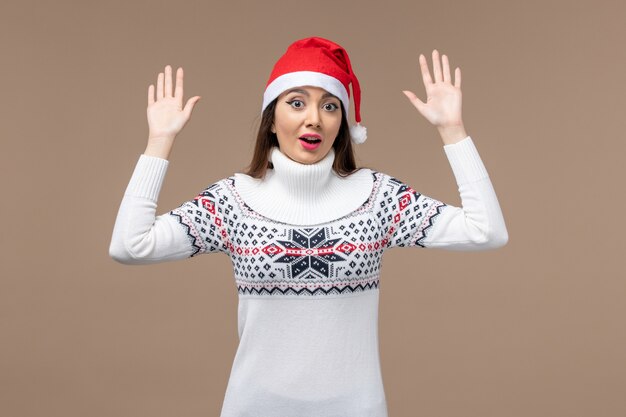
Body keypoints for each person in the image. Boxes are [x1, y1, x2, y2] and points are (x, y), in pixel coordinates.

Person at [109, 36, 508, 417]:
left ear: (344, 123)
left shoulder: (378, 199)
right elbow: (131, 245)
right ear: (271, 118)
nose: (313, 119)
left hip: (355, 409)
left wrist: (452, 130)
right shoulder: (232, 202)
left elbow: (486, 231)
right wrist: (159, 141)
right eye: (296, 102)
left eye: (330, 106)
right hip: (255, 407)